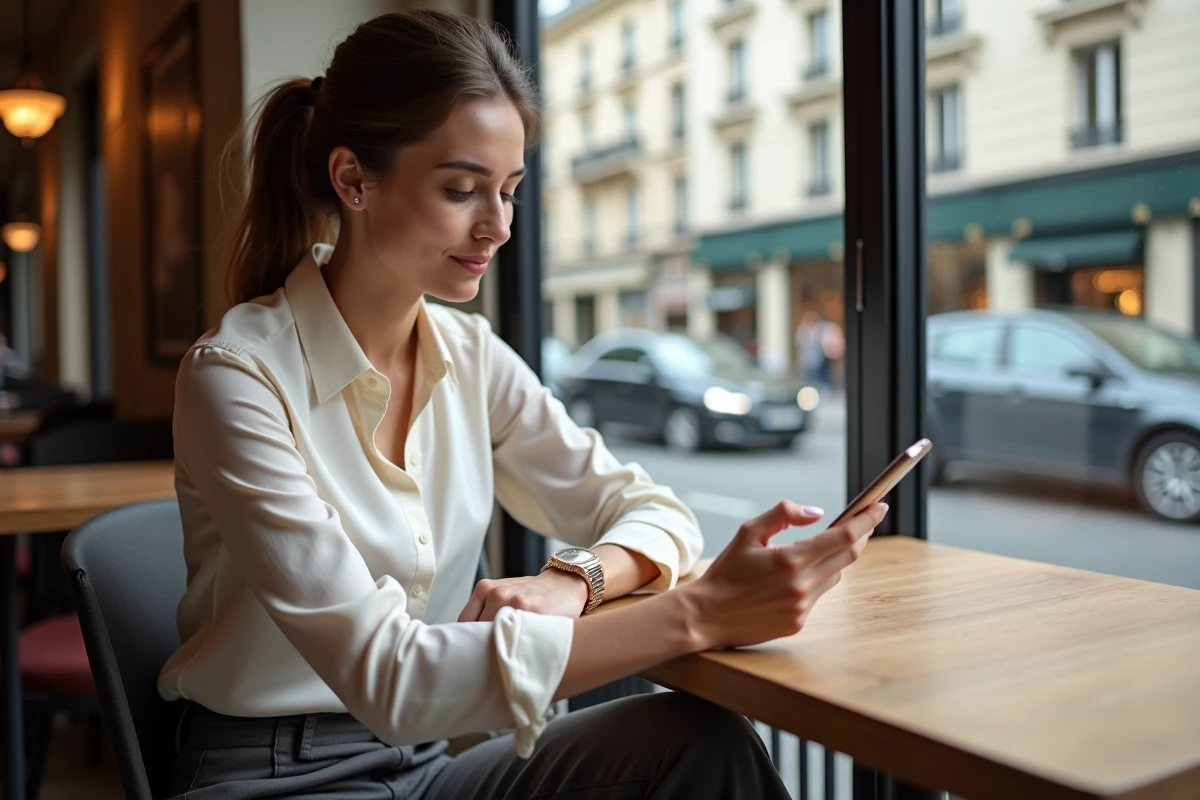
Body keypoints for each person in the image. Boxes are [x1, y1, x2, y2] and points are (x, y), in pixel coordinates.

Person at [160, 10, 888, 799]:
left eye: (508, 191)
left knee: (697, 743)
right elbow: (390, 676)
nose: (498, 225)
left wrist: (574, 581)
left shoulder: (470, 358)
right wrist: (701, 614)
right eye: (462, 189)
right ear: (353, 179)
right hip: (276, 778)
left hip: (424, 764)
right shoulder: (235, 378)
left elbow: (650, 507)